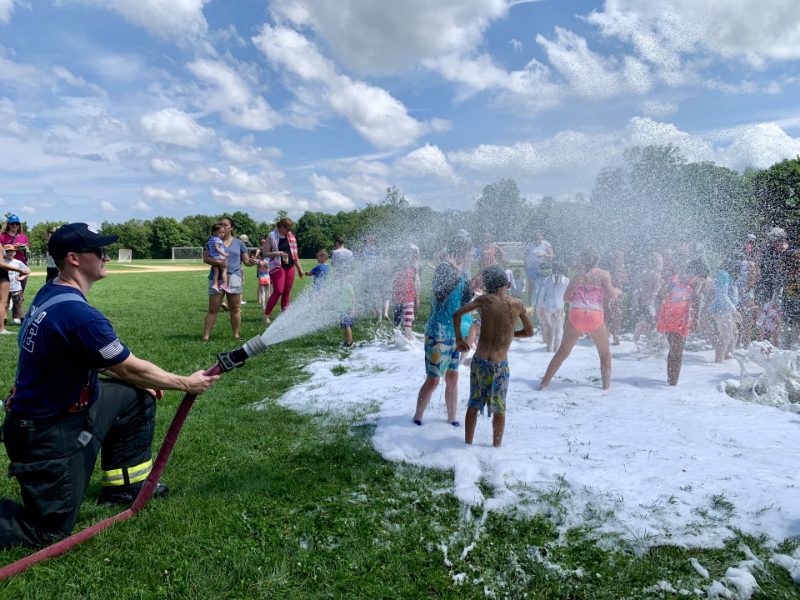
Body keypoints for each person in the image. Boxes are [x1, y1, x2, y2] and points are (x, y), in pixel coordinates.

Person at [0, 223, 218, 549]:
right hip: (46, 431)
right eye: (98, 250)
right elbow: (130, 367)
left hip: (54, 413)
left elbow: (109, 366)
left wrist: (136, 381)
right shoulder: (80, 315)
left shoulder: (53, 291)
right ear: (73, 258)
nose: (106, 255)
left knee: (134, 397)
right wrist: (185, 383)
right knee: (48, 531)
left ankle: (124, 487)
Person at [454, 266, 533, 448]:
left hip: (480, 361)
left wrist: (459, 339)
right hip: (499, 365)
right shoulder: (517, 305)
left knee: (473, 403)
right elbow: (529, 332)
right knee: (499, 407)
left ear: (488, 286)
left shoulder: (484, 300)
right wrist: (511, 334)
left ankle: (467, 444)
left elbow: (457, 314)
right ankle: (496, 448)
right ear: (507, 284)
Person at [413, 234, 472, 427]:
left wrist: (472, 287)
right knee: (433, 380)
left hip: (455, 331)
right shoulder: (444, 268)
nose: (469, 256)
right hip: (438, 331)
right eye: (468, 251)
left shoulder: (461, 270)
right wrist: (456, 278)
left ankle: (452, 418)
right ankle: (417, 418)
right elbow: (439, 295)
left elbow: (463, 301)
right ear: (461, 251)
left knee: (453, 376)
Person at [539, 250, 620, 390]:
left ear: (582, 261)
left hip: (576, 315)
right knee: (605, 354)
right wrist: (618, 291)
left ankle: (544, 383)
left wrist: (578, 300)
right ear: (597, 261)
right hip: (595, 316)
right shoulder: (604, 275)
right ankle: (606, 389)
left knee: (563, 352)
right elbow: (611, 294)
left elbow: (566, 297)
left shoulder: (578, 276)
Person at [655, 259, 709, 385]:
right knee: (678, 352)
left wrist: (658, 313)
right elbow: (696, 300)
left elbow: (659, 296)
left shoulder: (673, 278)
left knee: (673, 349)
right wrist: (696, 319)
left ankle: (670, 379)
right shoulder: (695, 281)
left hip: (667, 315)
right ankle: (673, 384)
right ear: (699, 273)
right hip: (680, 318)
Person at [202, 217, 254, 341]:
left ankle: (236, 335)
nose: (222, 227)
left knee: (235, 308)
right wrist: (218, 262)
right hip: (216, 279)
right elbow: (206, 258)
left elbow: (246, 261)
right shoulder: (213, 240)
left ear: (231, 227)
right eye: (220, 225)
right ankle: (205, 337)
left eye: (225, 225)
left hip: (234, 277)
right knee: (213, 309)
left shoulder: (239, 243)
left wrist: (252, 262)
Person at [264, 217, 304, 323]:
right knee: (278, 291)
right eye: (286, 228)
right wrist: (278, 253)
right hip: (277, 266)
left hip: (290, 266)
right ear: (280, 226)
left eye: (290, 228)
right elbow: (265, 253)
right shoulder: (271, 236)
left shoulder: (291, 237)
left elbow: (294, 255)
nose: (288, 230)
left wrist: (299, 269)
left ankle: (284, 316)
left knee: (286, 292)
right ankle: (266, 315)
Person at [708, 256, 739, 362]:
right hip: (722, 309)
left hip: (726, 309)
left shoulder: (726, 275)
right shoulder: (723, 274)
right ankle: (719, 361)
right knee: (726, 335)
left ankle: (727, 358)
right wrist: (734, 310)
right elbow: (722, 294)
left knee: (734, 333)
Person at [632, 252, 664, 351]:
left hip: (645, 302)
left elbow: (640, 289)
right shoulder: (656, 276)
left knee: (646, 322)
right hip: (651, 303)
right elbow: (657, 291)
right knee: (651, 322)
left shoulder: (645, 274)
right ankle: (650, 342)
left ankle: (641, 340)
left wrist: (637, 301)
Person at [536, 261, 569, 352]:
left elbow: (541, 294)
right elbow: (569, 294)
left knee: (551, 329)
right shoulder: (566, 280)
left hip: (548, 306)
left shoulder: (547, 279)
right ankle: (557, 349)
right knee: (559, 329)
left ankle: (549, 349)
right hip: (559, 307)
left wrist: (540, 306)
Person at [391, 251, 419, 341]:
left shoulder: (413, 269)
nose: (406, 261)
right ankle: (396, 340)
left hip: (409, 298)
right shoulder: (396, 269)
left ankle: (409, 342)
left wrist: (417, 297)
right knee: (397, 321)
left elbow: (415, 283)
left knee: (408, 321)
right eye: (404, 259)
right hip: (398, 299)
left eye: (408, 260)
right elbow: (392, 283)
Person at [0, 214, 30, 294]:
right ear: (8, 224)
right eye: (12, 223)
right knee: (5, 296)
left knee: (19, 295)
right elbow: (1, 252)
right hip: (6, 267)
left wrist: (25, 248)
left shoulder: (24, 237)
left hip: (21, 266)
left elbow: (27, 255)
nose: (15, 225)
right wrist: (10, 247)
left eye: (17, 223)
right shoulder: (2, 236)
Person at [524, 233, 554, 307]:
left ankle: (543, 304)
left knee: (544, 286)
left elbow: (551, 256)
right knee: (531, 286)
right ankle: (530, 305)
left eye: (539, 239)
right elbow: (525, 255)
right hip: (532, 268)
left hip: (543, 269)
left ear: (542, 238)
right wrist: (526, 264)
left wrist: (544, 255)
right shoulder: (530, 245)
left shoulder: (546, 244)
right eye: (536, 239)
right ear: (534, 239)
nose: (538, 240)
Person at [3, 244, 30, 325]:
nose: (9, 253)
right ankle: (3, 321)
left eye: (11, 251)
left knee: (18, 304)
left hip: (16, 288)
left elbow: (27, 270)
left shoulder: (18, 262)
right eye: (7, 252)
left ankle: (22, 321)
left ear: (14, 252)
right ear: (4, 253)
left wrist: (22, 277)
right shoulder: (3, 262)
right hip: (5, 288)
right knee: (5, 304)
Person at [206, 223, 230, 293]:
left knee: (216, 272)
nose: (222, 234)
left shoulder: (210, 239)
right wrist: (224, 254)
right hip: (219, 257)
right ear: (214, 232)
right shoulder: (218, 240)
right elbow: (217, 249)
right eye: (220, 232)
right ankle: (224, 284)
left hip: (213, 258)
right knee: (224, 269)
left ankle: (215, 284)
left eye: (223, 232)